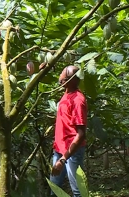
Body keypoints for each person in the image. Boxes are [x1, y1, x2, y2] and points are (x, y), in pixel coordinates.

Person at [50, 65, 87, 197]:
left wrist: (64, 159)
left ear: (72, 80)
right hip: (59, 149)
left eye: (63, 76)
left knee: (78, 192)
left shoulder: (77, 100)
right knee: (54, 189)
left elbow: (81, 134)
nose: (60, 78)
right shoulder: (67, 93)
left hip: (71, 152)